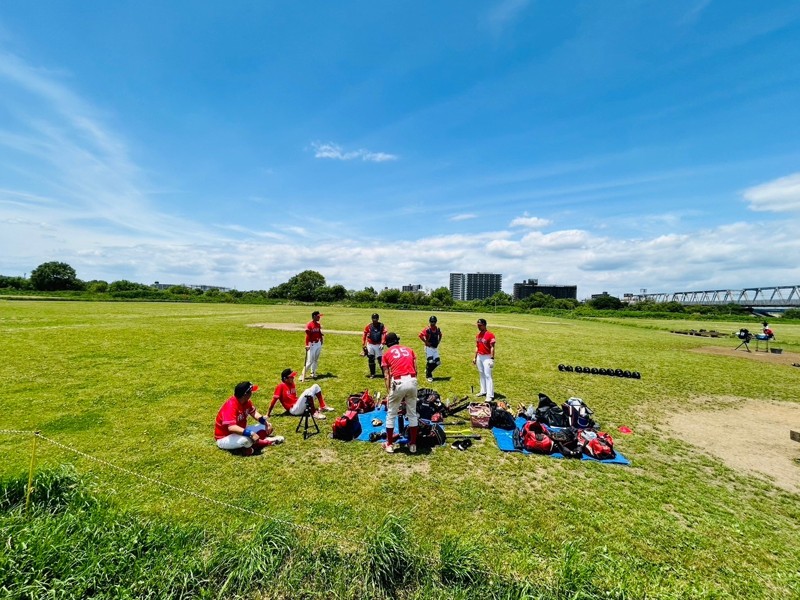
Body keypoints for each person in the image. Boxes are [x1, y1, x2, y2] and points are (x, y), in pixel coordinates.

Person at [214, 381, 284, 456]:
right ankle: (266, 442)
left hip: (240, 431)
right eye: (251, 391)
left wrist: (265, 423)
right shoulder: (230, 405)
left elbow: (254, 413)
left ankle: (247, 447)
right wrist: (251, 433)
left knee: (265, 427)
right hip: (225, 437)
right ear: (245, 394)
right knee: (246, 440)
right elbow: (232, 428)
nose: (252, 393)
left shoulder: (246, 402)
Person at [380, 332, 419, 454]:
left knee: (391, 414)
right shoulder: (409, 350)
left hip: (398, 381)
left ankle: (390, 444)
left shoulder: (386, 354)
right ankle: (413, 444)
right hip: (412, 380)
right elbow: (416, 369)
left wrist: (389, 392)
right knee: (412, 414)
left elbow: (387, 375)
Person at [268, 368, 332, 420]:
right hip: (294, 410)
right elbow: (274, 400)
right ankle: (314, 413)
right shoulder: (280, 386)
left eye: (293, 376)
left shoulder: (292, 384)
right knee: (307, 392)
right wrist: (268, 414)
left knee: (316, 386)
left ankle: (323, 406)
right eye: (291, 377)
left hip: (298, 406)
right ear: (285, 379)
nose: (293, 378)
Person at [473, 318, 496, 402]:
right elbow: (477, 346)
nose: (478, 327)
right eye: (477, 325)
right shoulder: (478, 335)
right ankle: (483, 391)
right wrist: (475, 357)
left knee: (488, 375)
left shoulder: (490, 335)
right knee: (481, 374)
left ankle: (490, 395)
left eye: (480, 325)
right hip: (479, 356)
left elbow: (492, 347)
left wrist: (492, 359)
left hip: (487, 357)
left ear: (484, 325)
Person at [418, 315, 443, 382]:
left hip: (435, 348)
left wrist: (439, 342)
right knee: (431, 361)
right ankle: (429, 375)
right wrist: (426, 342)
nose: (433, 323)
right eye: (431, 322)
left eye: (434, 322)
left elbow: (440, 335)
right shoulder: (427, 329)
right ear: (429, 322)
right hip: (429, 348)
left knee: (438, 362)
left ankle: (428, 369)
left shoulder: (437, 329)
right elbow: (420, 335)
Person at [300, 310, 324, 381]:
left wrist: (321, 339)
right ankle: (302, 375)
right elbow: (307, 336)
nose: (319, 317)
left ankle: (313, 372)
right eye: (318, 316)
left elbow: (319, 332)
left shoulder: (318, 324)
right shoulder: (309, 325)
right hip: (312, 344)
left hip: (318, 343)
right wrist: (307, 345)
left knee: (315, 360)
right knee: (310, 361)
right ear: (314, 316)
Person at [362, 313, 387, 378]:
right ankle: (372, 373)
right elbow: (364, 334)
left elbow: (384, 334)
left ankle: (384, 373)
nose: (374, 320)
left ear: (378, 319)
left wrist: (382, 343)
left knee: (380, 359)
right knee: (371, 358)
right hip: (370, 344)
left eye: (376, 318)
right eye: (373, 318)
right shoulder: (369, 326)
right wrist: (363, 344)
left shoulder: (381, 326)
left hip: (378, 344)